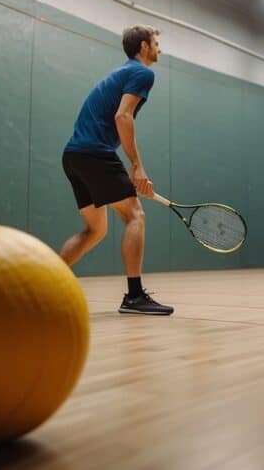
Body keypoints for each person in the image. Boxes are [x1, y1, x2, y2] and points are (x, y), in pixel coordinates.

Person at [59, 25, 173, 314]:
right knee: (135, 215)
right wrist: (137, 166)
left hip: (74, 155)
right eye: (156, 42)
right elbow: (123, 116)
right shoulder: (142, 73)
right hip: (95, 153)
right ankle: (134, 297)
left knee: (95, 230)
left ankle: (43, 281)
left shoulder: (122, 72)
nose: (160, 48)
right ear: (144, 47)